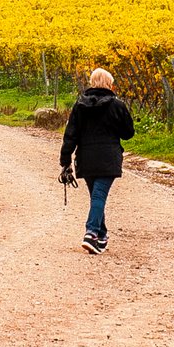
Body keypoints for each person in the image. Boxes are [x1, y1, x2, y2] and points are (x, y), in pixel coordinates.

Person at [60, 67, 135, 254]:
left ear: (92, 83)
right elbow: (128, 133)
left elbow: (71, 135)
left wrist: (65, 160)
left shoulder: (80, 105)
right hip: (108, 158)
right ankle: (91, 233)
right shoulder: (117, 105)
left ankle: (101, 236)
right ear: (109, 84)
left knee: (96, 196)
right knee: (99, 196)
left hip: (86, 158)